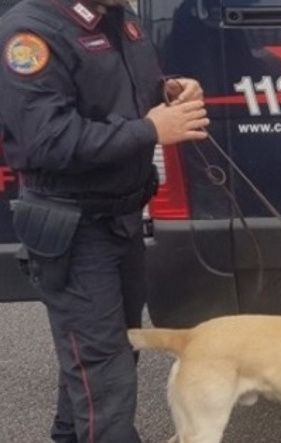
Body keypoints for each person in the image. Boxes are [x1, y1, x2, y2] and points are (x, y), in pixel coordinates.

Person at [0, 0, 209, 441]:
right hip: (73, 226)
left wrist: (168, 91)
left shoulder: (118, 17)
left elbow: (120, 92)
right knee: (106, 374)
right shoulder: (28, 33)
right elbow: (48, 140)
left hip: (121, 217)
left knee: (104, 357)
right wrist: (150, 130)